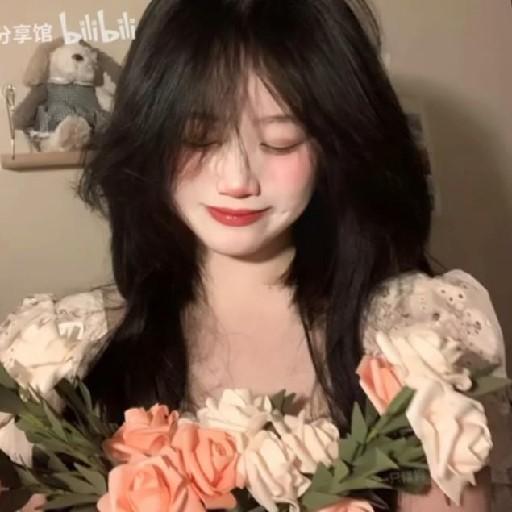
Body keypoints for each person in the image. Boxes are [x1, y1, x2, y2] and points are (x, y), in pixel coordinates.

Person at [0, 1, 510, 511]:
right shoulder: (63, 354)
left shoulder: (419, 342)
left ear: (334, 144)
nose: (237, 179)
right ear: (152, 137)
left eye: (280, 141)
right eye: (199, 137)